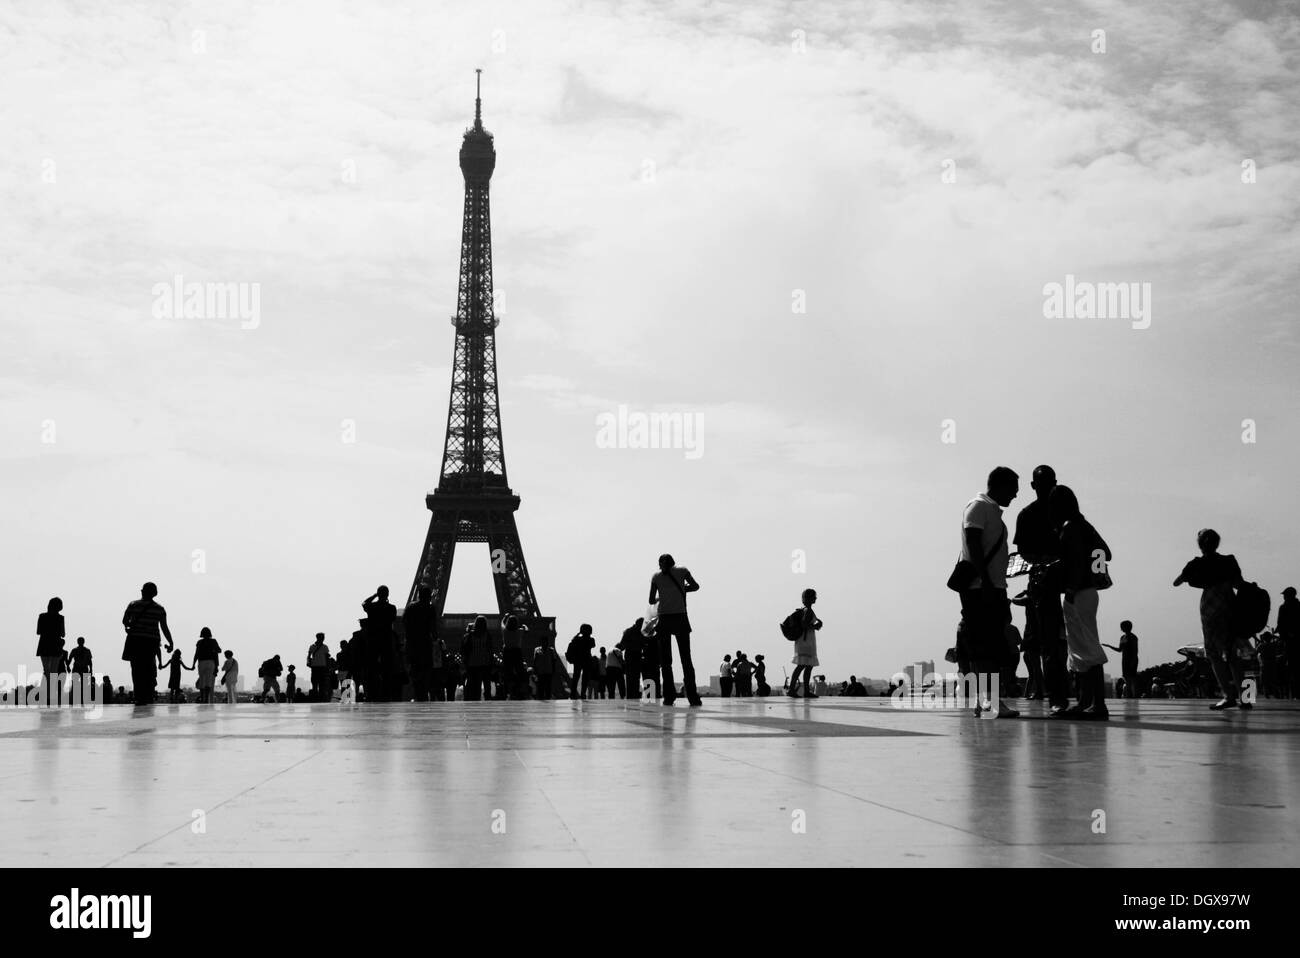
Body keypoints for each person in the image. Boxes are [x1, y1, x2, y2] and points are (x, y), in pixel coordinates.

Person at [954, 467, 1020, 718]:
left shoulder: (989, 510)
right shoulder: (979, 506)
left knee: (988, 647)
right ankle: (990, 702)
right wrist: (987, 581)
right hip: (982, 589)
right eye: (1013, 489)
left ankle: (985, 701)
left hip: (989, 586)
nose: (1014, 495)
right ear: (999, 485)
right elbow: (972, 541)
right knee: (987, 647)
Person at [1051, 485, 1110, 719]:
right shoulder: (1085, 526)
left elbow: (1074, 561)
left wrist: (1075, 583)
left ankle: (1096, 704)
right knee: (1080, 649)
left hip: (1077, 593)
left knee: (1087, 648)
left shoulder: (1070, 528)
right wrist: (1095, 572)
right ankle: (1087, 702)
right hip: (1087, 591)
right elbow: (1105, 552)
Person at [1013, 465, 1069, 715]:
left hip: (1065, 582)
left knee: (1065, 643)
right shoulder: (1027, 515)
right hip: (1044, 583)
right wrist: (1047, 561)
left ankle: (1064, 692)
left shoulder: (1066, 513)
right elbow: (1024, 552)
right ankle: (1056, 694)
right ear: (1034, 487)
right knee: (1048, 643)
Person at [1173, 529, 1246, 710]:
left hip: (1210, 607)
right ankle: (1247, 698)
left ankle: (1228, 696)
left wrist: (1192, 578)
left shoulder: (1196, 564)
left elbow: (1177, 582)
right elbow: (1239, 584)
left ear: (1200, 545)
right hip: (1229, 604)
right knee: (1234, 654)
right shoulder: (1229, 560)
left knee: (1214, 654)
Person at [649, 554, 702, 706]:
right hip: (680, 618)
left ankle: (669, 696)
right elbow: (696, 586)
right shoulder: (683, 571)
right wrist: (682, 589)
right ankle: (692, 696)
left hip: (664, 619)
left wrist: (663, 596)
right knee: (686, 658)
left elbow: (651, 600)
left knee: (666, 662)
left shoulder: (656, 577)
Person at [121, 583, 173, 706]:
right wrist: (170, 642)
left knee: (136, 669)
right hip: (151, 642)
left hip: (135, 640)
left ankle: (139, 696)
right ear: (155, 593)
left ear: (142, 592)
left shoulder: (133, 605)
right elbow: (164, 627)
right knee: (148, 668)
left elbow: (124, 621)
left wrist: (129, 626)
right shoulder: (159, 609)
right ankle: (147, 695)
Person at [361, 586, 397, 702]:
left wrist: (374, 596)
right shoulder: (391, 608)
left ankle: (372, 693)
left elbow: (364, 603)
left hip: (373, 640)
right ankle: (386, 694)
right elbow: (392, 620)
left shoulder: (372, 607)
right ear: (387, 594)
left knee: (372, 669)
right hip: (386, 640)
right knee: (387, 669)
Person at [788, 589, 823, 698]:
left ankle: (803, 691)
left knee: (807, 666)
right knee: (803, 665)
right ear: (810, 598)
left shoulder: (806, 610)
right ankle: (793, 690)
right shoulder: (807, 611)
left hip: (806, 641)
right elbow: (804, 624)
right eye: (814, 597)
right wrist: (815, 626)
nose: (816, 598)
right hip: (806, 641)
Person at [404, 590, 435, 702]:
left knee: (415, 669)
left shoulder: (411, 607)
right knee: (426, 670)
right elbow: (433, 628)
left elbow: (405, 624)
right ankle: (423, 693)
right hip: (425, 643)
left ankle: (417, 693)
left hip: (413, 644)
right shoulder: (430, 608)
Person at [36, 598, 67, 703]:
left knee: (46, 671)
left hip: (44, 645)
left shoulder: (42, 616)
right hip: (56, 646)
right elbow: (63, 634)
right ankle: (50, 696)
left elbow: (38, 631)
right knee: (53, 672)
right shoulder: (60, 618)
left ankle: (44, 695)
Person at [1103, 621, 1139, 699]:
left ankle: (1135, 696)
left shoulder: (1133, 637)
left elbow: (1135, 650)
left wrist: (1133, 661)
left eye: (1122, 627)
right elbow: (1120, 650)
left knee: (1132, 679)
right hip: (1124, 660)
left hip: (1132, 659)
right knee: (1126, 679)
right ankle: (1129, 696)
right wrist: (1109, 646)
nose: (1121, 628)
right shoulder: (1122, 637)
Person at [463, 616, 493, 701]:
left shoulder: (470, 635)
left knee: (476, 686)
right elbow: (490, 649)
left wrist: (466, 662)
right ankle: (487, 700)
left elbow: (466, 650)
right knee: (487, 685)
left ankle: (476, 701)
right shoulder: (487, 635)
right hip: (485, 662)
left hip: (473, 663)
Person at [1278, 587, 1299, 700]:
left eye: (1285, 595)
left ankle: (1295, 693)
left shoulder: (1284, 608)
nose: (1284, 597)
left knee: (1291, 668)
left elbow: (1280, 625)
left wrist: (1284, 637)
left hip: (1290, 643)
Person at [618, 620, 647, 700]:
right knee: (634, 677)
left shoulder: (629, 631)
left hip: (633, 656)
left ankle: (632, 695)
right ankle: (633, 695)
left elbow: (622, 645)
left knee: (632, 677)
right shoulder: (631, 632)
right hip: (633, 656)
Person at [566, 626, 596, 699]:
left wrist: (578, 634)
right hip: (586, 661)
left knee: (576, 678)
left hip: (578, 661)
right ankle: (583, 694)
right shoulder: (591, 639)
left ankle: (573, 694)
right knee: (585, 679)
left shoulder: (578, 639)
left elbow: (572, 640)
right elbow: (593, 645)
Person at [501, 614, 527, 700]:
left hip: (507, 652)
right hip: (517, 652)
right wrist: (524, 626)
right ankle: (520, 690)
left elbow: (502, 624)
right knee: (520, 672)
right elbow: (526, 630)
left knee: (508, 672)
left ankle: (510, 691)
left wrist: (504, 617)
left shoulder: (505, 631)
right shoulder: (519, 631)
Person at [193, 627, 221, 703]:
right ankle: (206, 699)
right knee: (208, 681)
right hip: (211, 662)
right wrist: (213, 649)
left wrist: (193, 664)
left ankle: (202, 698)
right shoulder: (213, 641)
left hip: (201, 662)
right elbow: (219, 650)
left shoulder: (199, 642)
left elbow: (196, 654)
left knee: (202, 680)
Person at [307, 633, 332, 702]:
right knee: (318, 684)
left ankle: (318, 698)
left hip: (317, 667)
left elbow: (309, 656)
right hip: (319, 667)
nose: (323, 639)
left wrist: (308, 663)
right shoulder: (323, 647)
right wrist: (328, 667)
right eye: (322, 637)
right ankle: (318, 698)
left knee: (318, 684)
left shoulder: (314, 646)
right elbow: (327, 658)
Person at [532, 634, 558, 700]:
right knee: (541, 687)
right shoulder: (537, 650)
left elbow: (554, 660)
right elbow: (535, 660)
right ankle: (542, 698)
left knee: (547, 687)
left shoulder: (551, 650)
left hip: (548, 670)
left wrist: (553, 670)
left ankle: (547, 698)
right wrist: (535, 669)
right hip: (541, 671)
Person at [67, 637, 93, 702]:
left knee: (84, 685)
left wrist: (91, 669)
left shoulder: (87, 650)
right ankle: (75, 699)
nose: (80, 642)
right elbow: (69, 660)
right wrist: (68, 667)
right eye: (79, 641)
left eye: (81, 641)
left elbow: (90, 661)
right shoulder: (74, 650)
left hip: (83, 669)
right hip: (77, 669)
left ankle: (83, 700)